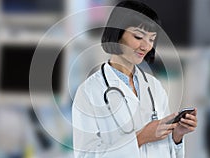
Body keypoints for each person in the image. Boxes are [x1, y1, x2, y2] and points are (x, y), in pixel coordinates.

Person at [72, 1, 197, 157]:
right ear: (117, 33)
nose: (146, 46)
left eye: (152, 39)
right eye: (138, 36)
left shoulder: (154, 86)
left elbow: (165, 150)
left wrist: (177, 135)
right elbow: (85, 155)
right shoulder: (89, 92)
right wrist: (140, 138)